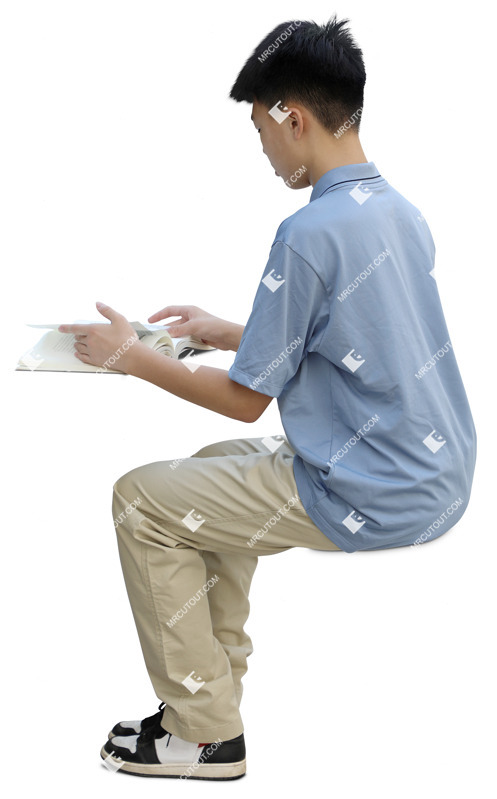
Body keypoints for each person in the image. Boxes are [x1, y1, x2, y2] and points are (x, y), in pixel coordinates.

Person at [59, 15, 476, 780]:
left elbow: (246, 402)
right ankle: (209, 693)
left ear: (293, 116)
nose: (262, 150)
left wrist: (129, 358)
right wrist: (225, 330)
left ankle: (204, 735)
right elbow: (356, 332)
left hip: (371, 487)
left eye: (260, 129)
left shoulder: (307, 231)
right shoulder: (396, 210)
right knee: (210, 470)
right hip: (433, 473)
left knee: (141, 500)